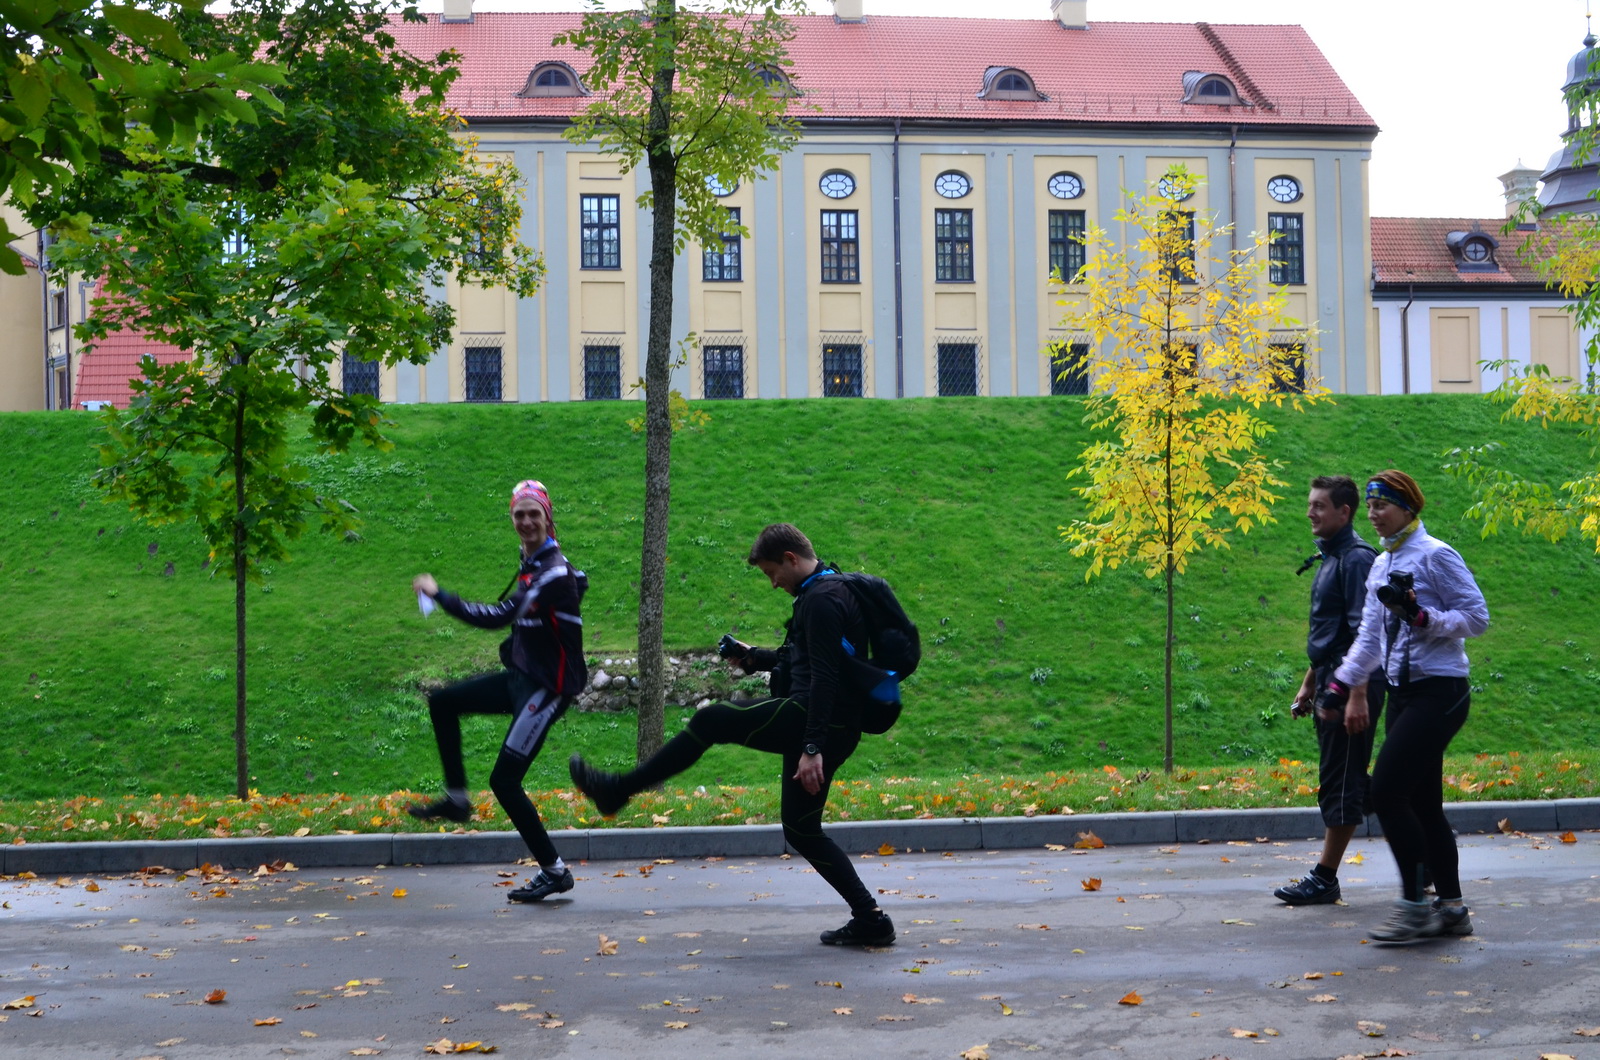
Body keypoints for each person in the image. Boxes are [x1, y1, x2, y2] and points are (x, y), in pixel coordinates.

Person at [568, 523, 898, 947]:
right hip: (831, 722)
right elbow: (807, 656)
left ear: (790, 559)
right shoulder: (828, 589)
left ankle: (617, 791)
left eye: (771, 573)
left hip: (816, 718)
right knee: (800, 828)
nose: (773, 584)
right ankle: (871, 919)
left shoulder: (821, 599)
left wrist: (811, 747)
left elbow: (826, 677)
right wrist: (753, 657)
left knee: (712, 720)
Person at [409, 479, 588, 904]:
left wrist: (440, 595)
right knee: (444, 701)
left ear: (548, 519)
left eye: (534, 514)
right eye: (519, 514)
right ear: (512, 518)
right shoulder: (530, 564)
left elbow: (496, 617)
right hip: (522, 677)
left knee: (505, 781)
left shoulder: (552, 574)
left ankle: (555, 871)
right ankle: (456, 800)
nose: (526, 522)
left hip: (548, 687)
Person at [1330, 470, 1489, 943]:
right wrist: (1342, 684)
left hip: (1441, 690)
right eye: (1371, 506)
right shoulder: (1381, 564)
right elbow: (1369, 638)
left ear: (1408, 507)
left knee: (1387, 792)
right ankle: (1453, 909)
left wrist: (1423, 617)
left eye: (1382, 505)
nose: (1374, 514)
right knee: (1423, 803)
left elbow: (1476, 618)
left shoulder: (1436, 555)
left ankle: (1415, 906)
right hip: (1403, 693)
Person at [1273, 475, 1386, 907]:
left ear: (1345, 511)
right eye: (1310, 504)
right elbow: (1331, 634)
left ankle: (1325, 877)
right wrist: (1309, 682)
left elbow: (1365, 634)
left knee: (1339, 781)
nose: (1310, 512)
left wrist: (1355, 694)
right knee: (1360, 782)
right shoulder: (1332, 557)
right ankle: (1425, 854)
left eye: (1320, 505)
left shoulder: (1356, 560)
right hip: (1333, 678)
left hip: (1352, 685)